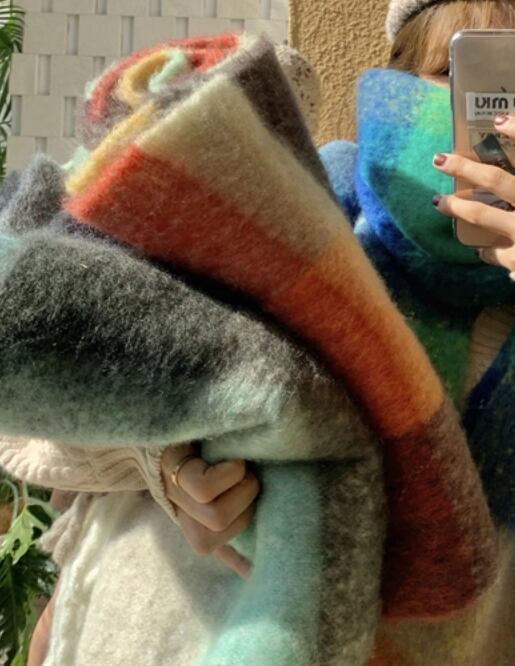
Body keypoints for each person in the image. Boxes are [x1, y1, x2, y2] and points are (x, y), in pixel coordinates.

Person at [318, 0, 515, 663]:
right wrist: (176, 474)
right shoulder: (318, 211)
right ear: (401, 85)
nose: (501, 112)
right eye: (460, 70)